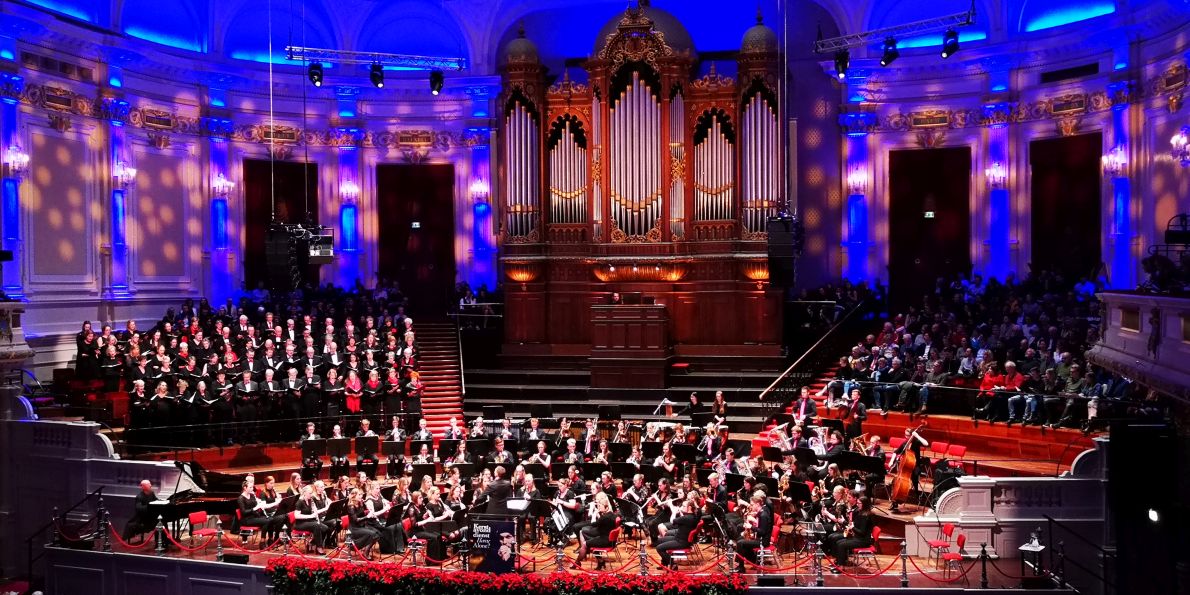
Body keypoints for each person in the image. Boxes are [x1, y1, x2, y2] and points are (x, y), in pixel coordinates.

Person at [573, 492, 618, 569]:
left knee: (584, 544)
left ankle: (577, 562)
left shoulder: (604, 518)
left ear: (606, 507)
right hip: (610, 540)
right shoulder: (612, 515)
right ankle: (600, 561)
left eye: (600, 506)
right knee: (590, 541)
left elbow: (593, 524)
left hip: (605, 541)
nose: (599, 507)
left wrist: (594, 515)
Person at [831, 497, 874, 570]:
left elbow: (862, 532)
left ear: (865, 504)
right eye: (857, 503)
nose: (857, 505)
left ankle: (841, 567)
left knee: (841, 545)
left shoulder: (866, 516)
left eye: (859, 503)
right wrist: (848, 524)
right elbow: (856, 525)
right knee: (838, 542)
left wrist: (852, 527)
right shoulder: (860, 513)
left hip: (863, 540)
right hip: (858, 538)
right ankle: (840, 562)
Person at [292, 485, 330, 555]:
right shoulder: (299, 502)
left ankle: (312, 543)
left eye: (311, 493)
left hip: (309, 521)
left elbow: (314, 512)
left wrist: (315, 512)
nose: (311, 495)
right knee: (316, 525)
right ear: (304, 493)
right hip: (300, 524)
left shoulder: (310, 500)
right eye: (310, 493)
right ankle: (319, 547)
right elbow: (296, 516)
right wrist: (310, 516)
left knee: (325, 528)